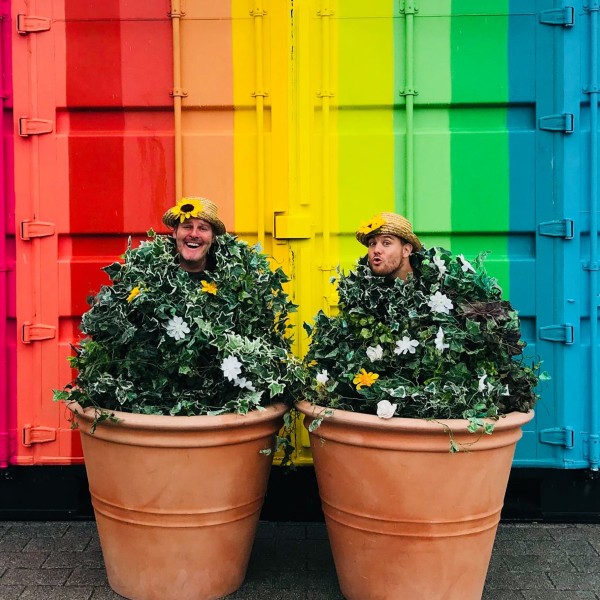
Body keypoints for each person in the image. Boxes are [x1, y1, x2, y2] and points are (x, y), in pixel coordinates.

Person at [161, 196, 226, 277]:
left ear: (213, 237)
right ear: (175, 232)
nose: (194, 234)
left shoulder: (232, 281)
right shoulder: (148, 277)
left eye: (203, 228)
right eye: (187, 227)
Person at [355, 211, 423, 280]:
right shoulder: (354, 288)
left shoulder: (430, 288)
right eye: (372, 243)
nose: (376, 250)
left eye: (386, 243)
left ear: (406, 250)